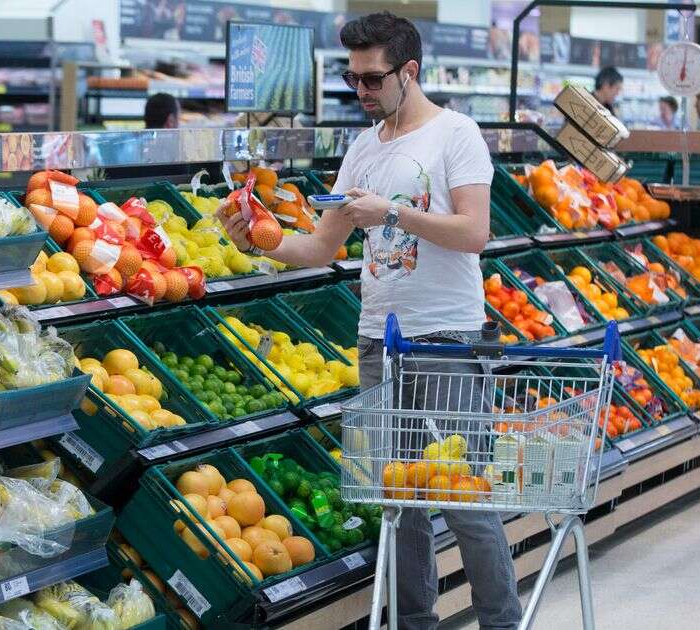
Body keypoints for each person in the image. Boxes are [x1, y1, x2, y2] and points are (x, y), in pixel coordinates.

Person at [216, 11, 520, 630]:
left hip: (447, 340)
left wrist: (392, 214)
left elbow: (475, 232)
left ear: (408, 71)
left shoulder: (455, 134)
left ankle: (501, 622)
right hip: (377, 341)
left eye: (372, 79)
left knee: (464, 499)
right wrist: (256, 243)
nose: (361, 92)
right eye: (352, 80)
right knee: (398, 499)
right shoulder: (362, 147)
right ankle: (414, 623)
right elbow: (320, 248)